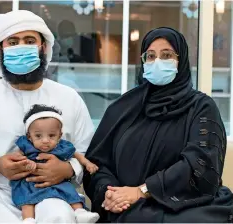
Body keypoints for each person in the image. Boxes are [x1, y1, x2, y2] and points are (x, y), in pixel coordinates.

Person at [0, 10, 94, 223]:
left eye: (29, 40)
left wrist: (66, 169)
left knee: (60, 216)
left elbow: (90, 152)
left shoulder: (69, 98)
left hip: (49, 190)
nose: (21, 46)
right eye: (13, 42)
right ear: (0, 49)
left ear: (43, 47)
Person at [83, 27, 233, 222]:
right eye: (151, 56)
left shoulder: (201, 107)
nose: (158, 62)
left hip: (189, 206)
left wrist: (142, 191)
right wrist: (110, 193)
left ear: (181, 61)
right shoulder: (123, 108)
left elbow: (200, 164)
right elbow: (97, 164)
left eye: (167, 55)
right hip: (127, 206)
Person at [12, 104, 99, 223]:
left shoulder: (62, 146)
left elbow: (76, 154)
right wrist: (26, 162)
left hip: (58, 181)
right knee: (27, 200)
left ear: (59, 136)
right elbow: (16, 157)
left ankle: (80, 213)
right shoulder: (26, 146)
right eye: (38, 136)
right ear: (29, 136)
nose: (45, 140)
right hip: (32, 182)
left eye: (51, 135)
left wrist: (87, 163)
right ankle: (28, 219)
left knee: (69, 191)